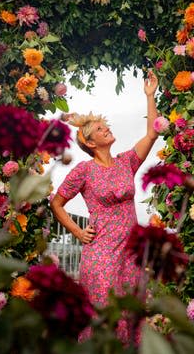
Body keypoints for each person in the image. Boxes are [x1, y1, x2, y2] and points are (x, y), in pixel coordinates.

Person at [50, 70, 159, 341]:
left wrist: (150, 96)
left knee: (131, 314)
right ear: (89, 142)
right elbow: (57, 203)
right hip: (101, 254)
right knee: (104, 314)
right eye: (99, 129)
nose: (106, 129)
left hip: (131, 255)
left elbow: (152, 134)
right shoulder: (83, 171)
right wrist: (77, 231)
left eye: (105, 126)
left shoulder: (126, 162)